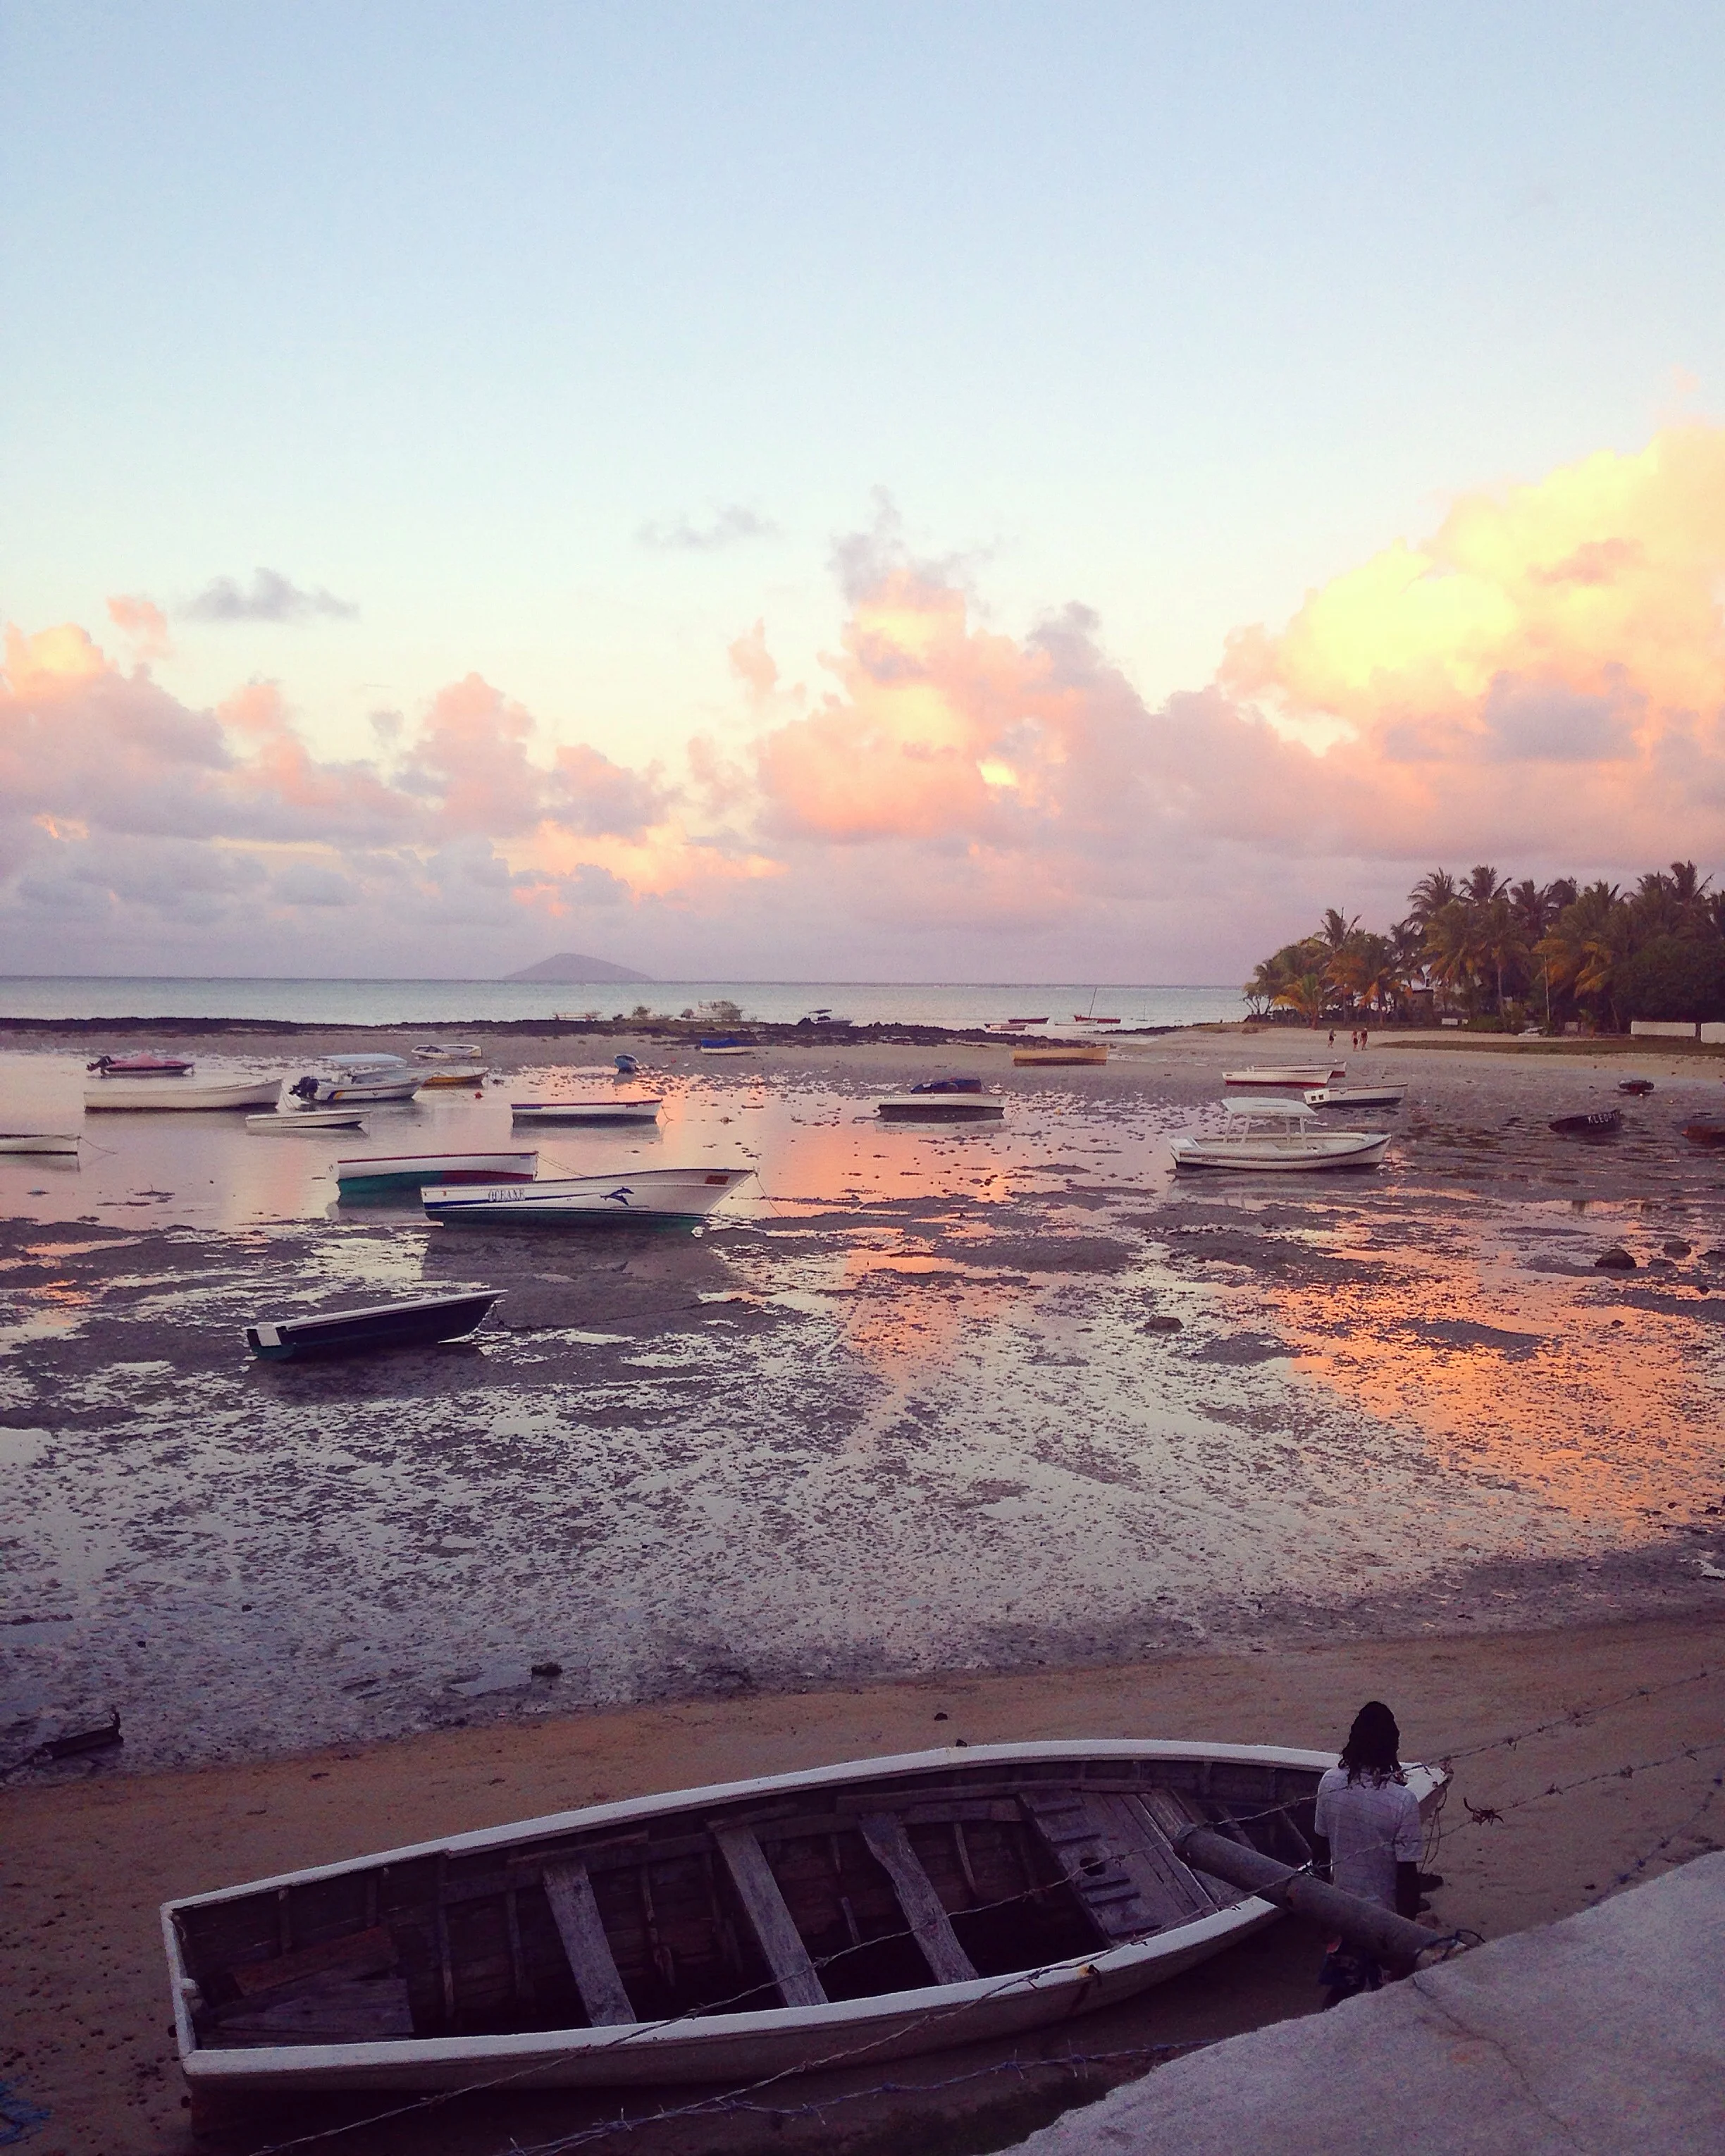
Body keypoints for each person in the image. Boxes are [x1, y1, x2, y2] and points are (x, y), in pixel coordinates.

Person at [1311, 1700, 1423, 2006]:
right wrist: (1406, 1937)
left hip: (1342, 1911)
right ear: (1393, 1747)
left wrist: (1322, 1911)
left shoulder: (1330, 1782)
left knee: (1342, 1991)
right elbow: (1407, 1879)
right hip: (1384, 1920)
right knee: (1388, 1999)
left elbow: (1319, 1854)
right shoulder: (1402, 1801)